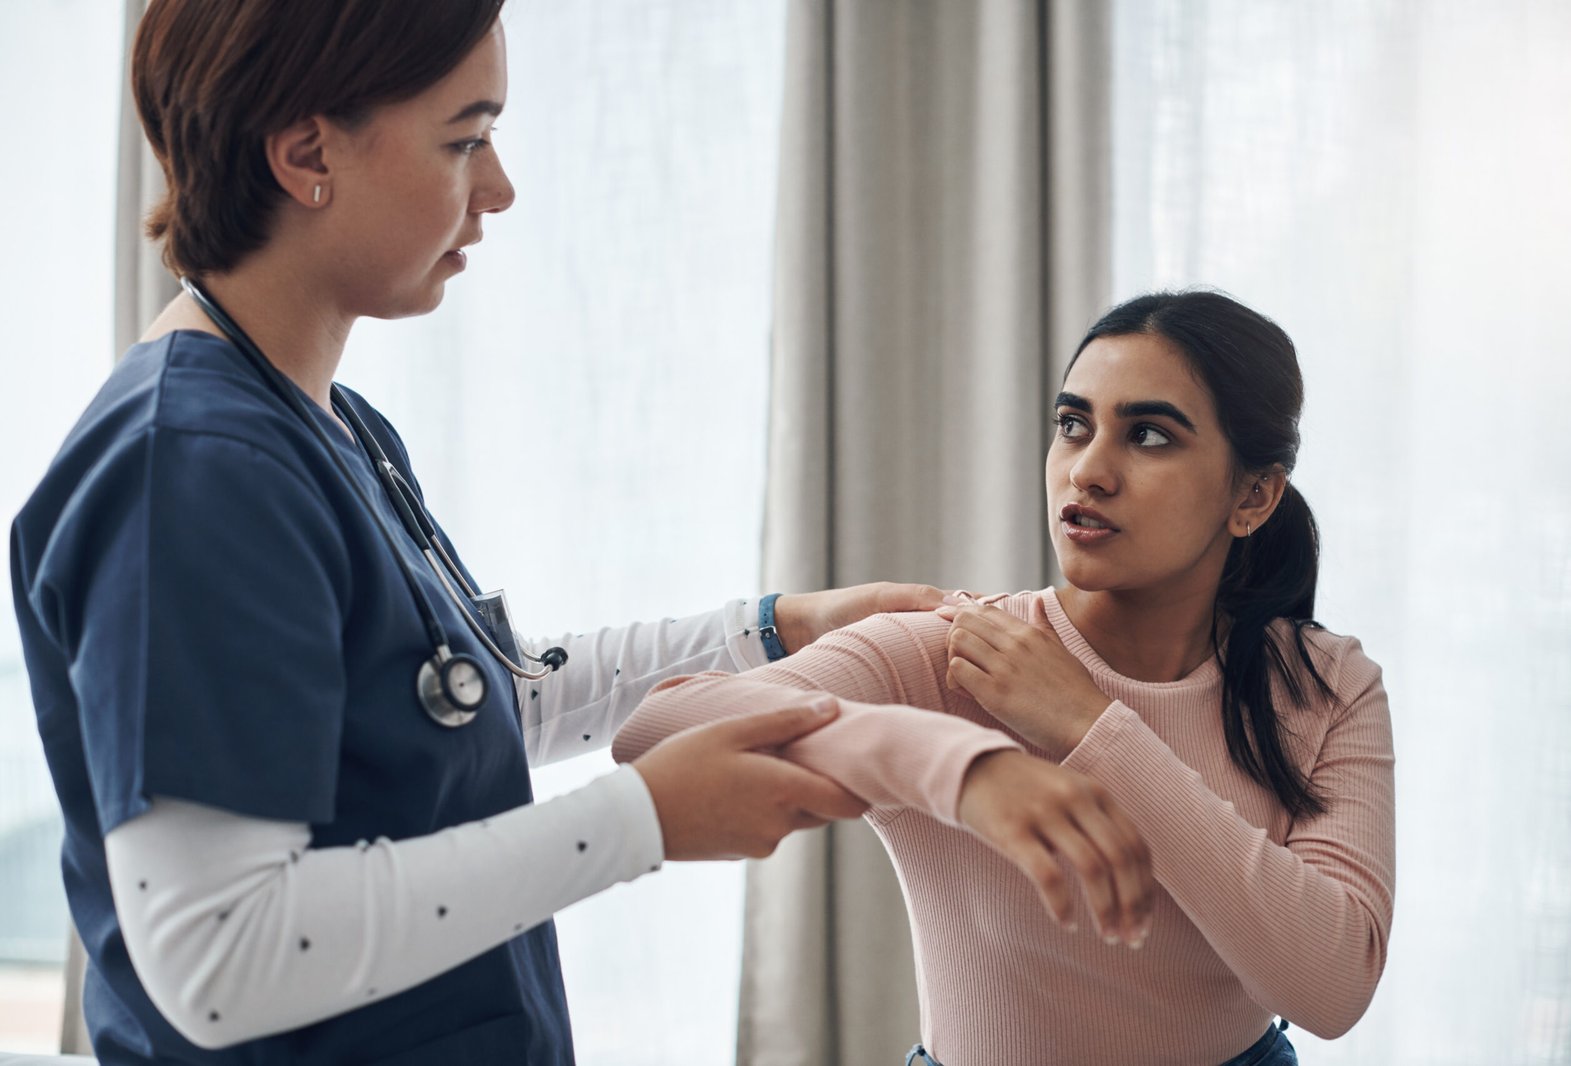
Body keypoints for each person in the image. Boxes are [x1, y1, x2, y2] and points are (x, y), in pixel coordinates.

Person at [9, 3, 1161, 1063]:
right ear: (306, 154)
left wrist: (767, 629)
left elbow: (453, 712)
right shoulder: (196, 473)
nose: (498, 187)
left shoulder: (326, 424)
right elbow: (215, 957)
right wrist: (645, 818)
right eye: (464, 140)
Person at [614, 291, 1397, 1066]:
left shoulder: (1326, 684)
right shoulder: (955, 655)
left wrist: (1092, 729)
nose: (1087, 471)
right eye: (1072, 425)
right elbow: (654, 733)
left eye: (1149, 435)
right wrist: (953, 765)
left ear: (1253, 496)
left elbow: (1332, 988)